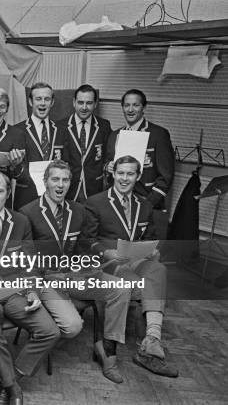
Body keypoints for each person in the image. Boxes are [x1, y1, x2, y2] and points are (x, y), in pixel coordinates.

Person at [19, 160, 131, 383]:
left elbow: (85, 246)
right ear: (45, 182)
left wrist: (89, 264)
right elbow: (26, 259)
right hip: (48, 279)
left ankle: (107, 349)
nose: (60, 185)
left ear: (70, 182)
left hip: (75, 276)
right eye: (55, 179)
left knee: (121, 288)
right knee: (72, 327)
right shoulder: (27, 212)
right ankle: (45, 336)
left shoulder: (78, 210)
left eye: (65, 179)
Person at [0, 171, 64, 405]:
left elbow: (30, 264)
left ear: (8, 193)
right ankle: (13, 389)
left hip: (16, 291)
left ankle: (9, 379)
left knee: (50, 331)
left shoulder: (21, 221)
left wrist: (33, 291)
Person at [82, 155, 178, 378]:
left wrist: (153, 250)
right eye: (121, 173)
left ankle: (152, 340)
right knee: (142, 283)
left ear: (138, 177)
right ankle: (116, 350)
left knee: (158, 269)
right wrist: (107, 252)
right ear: (113, 173)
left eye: (130, 174)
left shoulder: (144, 205)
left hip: (137, 261)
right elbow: (86, 241)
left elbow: (151, 237)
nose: (125, 178)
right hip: (108, 264)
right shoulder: (95, 202)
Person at [105, 89, 175, 238]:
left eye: (135, 105)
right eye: (126, 105)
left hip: (146, 201)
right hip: (117, 203)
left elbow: (166, 177)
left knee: (144, 252)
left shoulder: (159, 134)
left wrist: (147, 204)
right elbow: (106, 164)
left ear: (144, 107)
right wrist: (108, 166)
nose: (130, 110)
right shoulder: (114, 135)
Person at [12, 82, 67, 209]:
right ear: (31, 102)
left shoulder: (61, 130)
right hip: (27, 198)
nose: (43, 103)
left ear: (52, 102)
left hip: (55, 197)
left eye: (47, 99)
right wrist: (16, 165)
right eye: (38, 99)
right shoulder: (17, 131)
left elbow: (67, 162)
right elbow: (14, 171)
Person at [57, 84, 112, 201]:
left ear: (95, 104)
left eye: (89, 103)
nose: (84, 107)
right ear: (74, 102)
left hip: (94, 188)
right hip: (68, 189)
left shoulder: (104, 126)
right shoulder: (60, 126)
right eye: (80, 102)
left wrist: (108, 165)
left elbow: (109, 155)